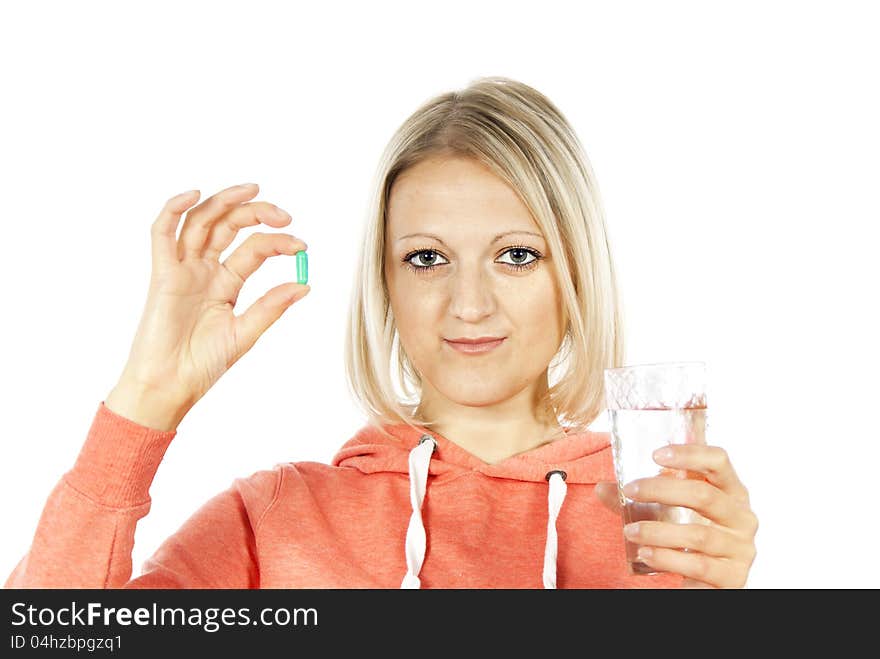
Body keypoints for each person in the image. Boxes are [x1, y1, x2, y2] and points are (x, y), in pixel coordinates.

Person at [4, 76, 757, 589]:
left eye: (516, 255)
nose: (469, 304)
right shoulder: (276, 516)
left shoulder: (651, 525)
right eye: (426, 258)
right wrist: (145, 402)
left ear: (576, 276)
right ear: (385, 284)